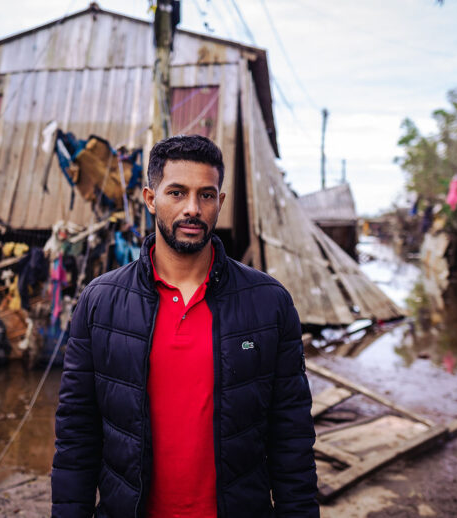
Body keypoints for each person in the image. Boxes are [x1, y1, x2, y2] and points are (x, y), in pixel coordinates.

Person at [52, 135, 318, 518]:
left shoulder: (267, 302)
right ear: (150, 198)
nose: (193, 208)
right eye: (176, 193)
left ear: (220, 203)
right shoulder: (101, 303)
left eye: (206, 195)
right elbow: (77, 437)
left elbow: (290, 437)